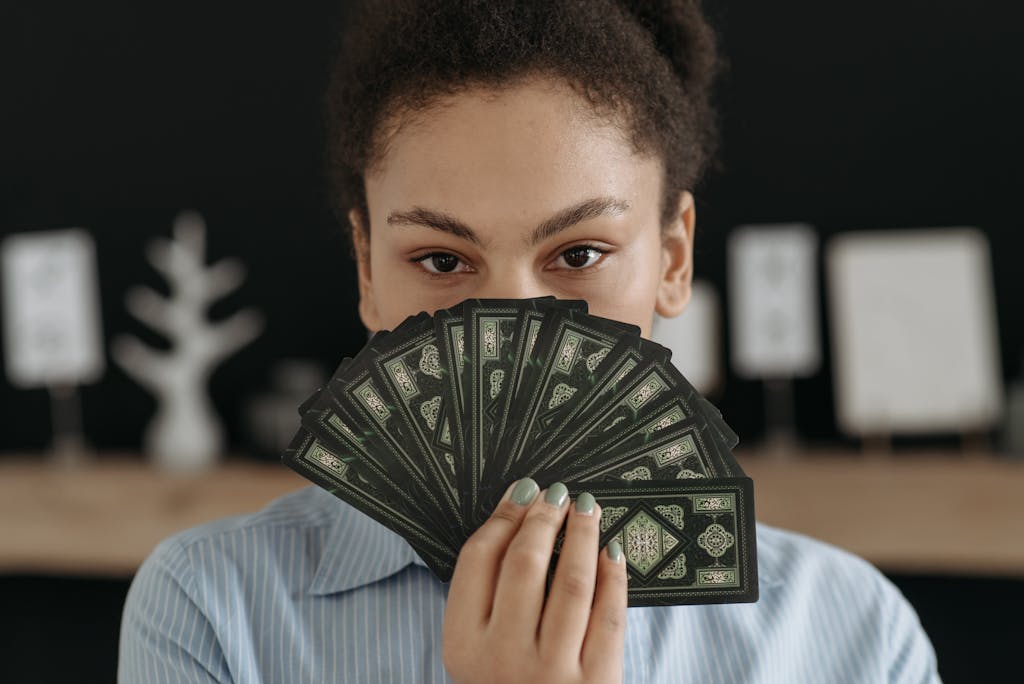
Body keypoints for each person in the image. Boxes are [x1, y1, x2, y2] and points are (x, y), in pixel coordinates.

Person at [118, 1, 941, 681]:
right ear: (367, 267)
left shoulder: (851, 634)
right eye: (442, 259)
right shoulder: (210, 609)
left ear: (674, 255)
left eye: (578, 254)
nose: (512, 320)